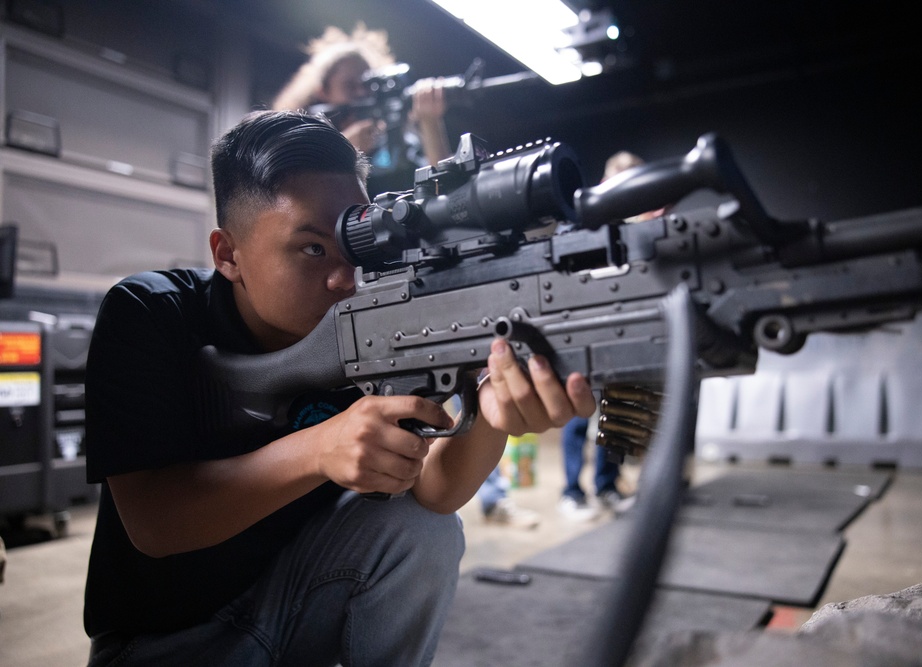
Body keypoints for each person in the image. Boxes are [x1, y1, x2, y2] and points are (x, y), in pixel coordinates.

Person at [82, 110, 595, 666]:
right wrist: (321, 448)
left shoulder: (379, 312)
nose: (343, 278)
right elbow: (155, 524)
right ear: (228, 254)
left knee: (425, 531)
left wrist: (493, 409)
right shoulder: (152, 313)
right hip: (164, 644)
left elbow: (434, 495)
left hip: (296, 612)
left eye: (354, 244)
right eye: (311, 249)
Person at [558, 150, 657, 522]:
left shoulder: (641, 226)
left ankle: (607, 486)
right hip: (585, 330)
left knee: (617, 417)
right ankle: (571, 492)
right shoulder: (584, 221)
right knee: (577, 416)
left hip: (624, 332)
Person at [271, 23, 452, 189]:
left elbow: (444, 189)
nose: (361, 93)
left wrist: (430, 123)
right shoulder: (302, 136)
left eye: (367, 85)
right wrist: (342, 150)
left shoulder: (391, 140)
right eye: (349, 85)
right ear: (323, 91)